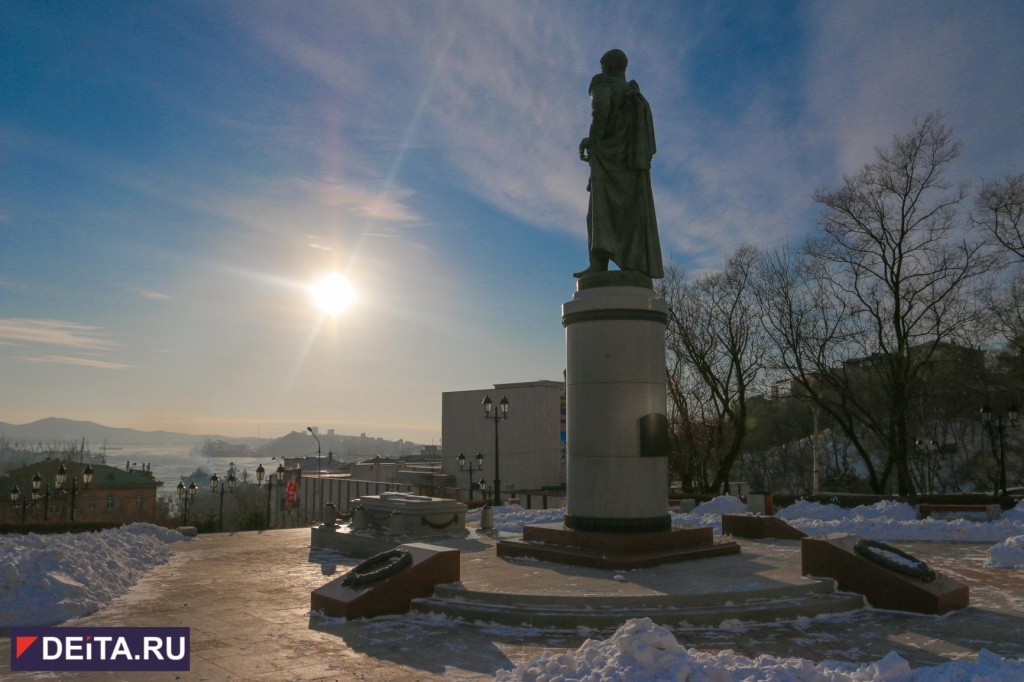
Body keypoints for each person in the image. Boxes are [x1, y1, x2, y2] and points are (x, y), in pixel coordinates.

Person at [574, 49, 664, 279]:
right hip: (631, 164)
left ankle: (598, 264)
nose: (600, 70)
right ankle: (633, 263)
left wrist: (592, 141)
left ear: (609, 67)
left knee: (598, 211)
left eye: (602, 66)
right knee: (630, 213)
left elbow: (600, 109)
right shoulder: (635, 95)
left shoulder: (603, 84)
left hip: (608, 159)